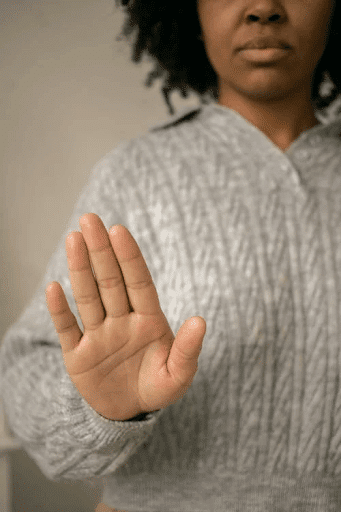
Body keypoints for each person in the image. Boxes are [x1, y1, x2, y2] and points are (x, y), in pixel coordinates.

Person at [1, 0, 341, 510]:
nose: (263, 8)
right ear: (190, 12)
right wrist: (101, 409)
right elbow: (25, 369)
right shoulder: (136, 173)